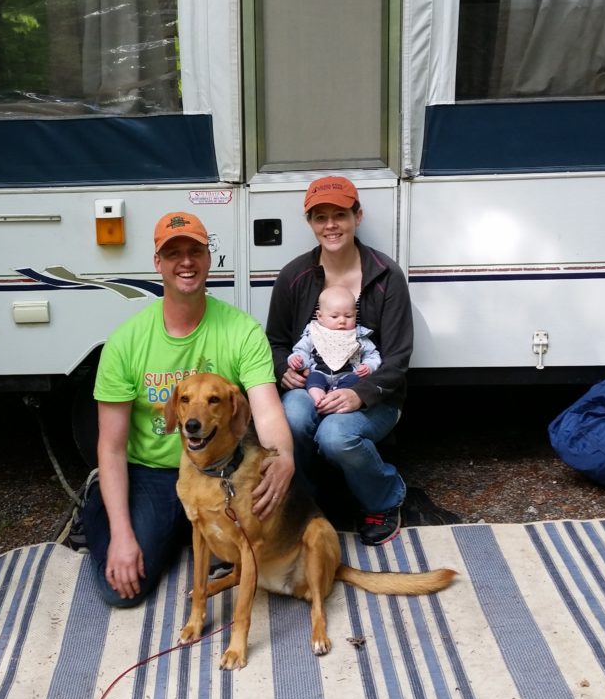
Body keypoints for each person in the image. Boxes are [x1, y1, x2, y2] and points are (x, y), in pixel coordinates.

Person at [79, 211, 295, 607]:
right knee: (122, 592)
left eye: (195, 250)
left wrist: (282, 459)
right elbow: (110, 447)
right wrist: (123, 537)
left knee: (282, 525)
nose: (186, 262)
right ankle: (103, 511)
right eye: (173, 252)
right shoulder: (126, 341)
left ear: (208, 258)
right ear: (157, 263)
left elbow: (266, 411)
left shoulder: (241, 330)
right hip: (155, 474)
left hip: (223, 470)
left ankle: (187, 529)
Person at [266, 176, 413, 546]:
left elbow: (397, 357)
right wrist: (285, 369)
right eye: (320, 217)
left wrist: (361, 394)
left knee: (336, 437)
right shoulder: (294, 276)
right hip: (313, 382)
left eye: (340, 215)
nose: (330, 225)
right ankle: (305, 502)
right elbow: (276, 341)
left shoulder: (385, 276)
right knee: (293, 417)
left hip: (374, 393)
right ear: (310, 223)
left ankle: (385, 497)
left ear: (357, 217)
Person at [288, 285, 381, 407]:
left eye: (348, 316)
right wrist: (298, 360)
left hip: (347, 376)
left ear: (355, 314)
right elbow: (302, 350)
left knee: (354, 380)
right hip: (320, 373)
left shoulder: (359, 337)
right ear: (320, 316)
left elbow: (373, 355)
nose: (342, 321)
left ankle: (335, 395)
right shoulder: (314, 333)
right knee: (313, 378)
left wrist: (368, 366)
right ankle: (318, 397)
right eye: (334, 316)